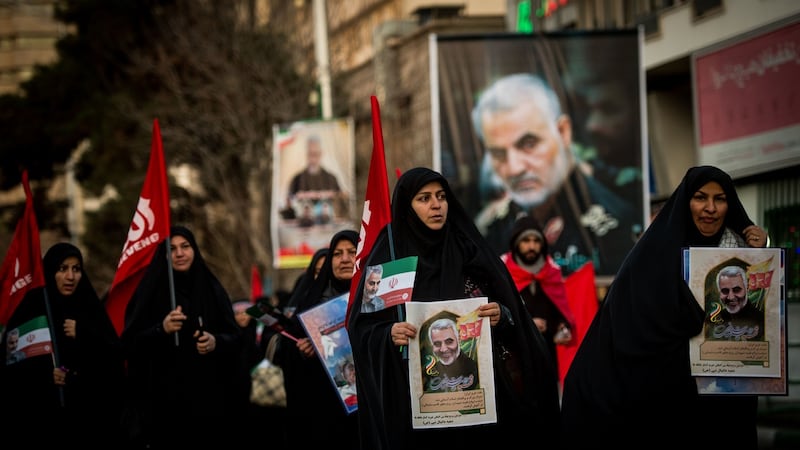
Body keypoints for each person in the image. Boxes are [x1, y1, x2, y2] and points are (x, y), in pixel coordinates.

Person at [347, 167, 561, 449]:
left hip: (479, 411)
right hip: (414, 412)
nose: (436, 205)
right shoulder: (391, 255)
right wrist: (388, 334)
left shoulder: (469, 249)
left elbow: (514, 316)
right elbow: (362, 328)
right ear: (406, 206)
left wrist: (500, 315)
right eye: (424, 199)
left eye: (441, 196)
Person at [560, 165, 769, 448]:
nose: (710, 208)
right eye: (700, 197)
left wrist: (761, 251)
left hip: (724, 395)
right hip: (664, 397)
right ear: (685, 201)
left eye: (720, 199)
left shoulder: (743, 252)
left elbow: (761, 313)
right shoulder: (655, 252)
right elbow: (625, 322)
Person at [471, 73, 640, 276]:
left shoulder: (618, 216)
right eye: (498, 154)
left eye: (529, 144)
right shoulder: (491, 229)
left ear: (563, 132)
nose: (515, 168)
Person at [121, 226, 242, 449]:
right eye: (172, 249)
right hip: (163, 407)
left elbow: (235, 337)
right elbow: (129, 344)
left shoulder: (212, 289)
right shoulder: (150, 292)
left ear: (194, 250)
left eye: (185, 246)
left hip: (209, 403)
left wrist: (216, 341)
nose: (179, 253)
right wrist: (161, 329)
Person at [1, 242, 126, 446]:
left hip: (87, 425)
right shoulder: (32, 312)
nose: (70, 276)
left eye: (76, 269)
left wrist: (85, 337)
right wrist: (43, 376)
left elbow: (114, 365)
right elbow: (11, 367)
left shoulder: (90, 313)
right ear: (51, 271)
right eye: (62, 269)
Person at [273, 229, 360, 449]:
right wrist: (301, 350)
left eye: (352, 252)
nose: (345, 259)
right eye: (337, 254)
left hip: (368, 408)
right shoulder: (312, 303)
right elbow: (288, 348)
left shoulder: (375, 297)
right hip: (324, 411)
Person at [500, 215, 575, 369]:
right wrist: (528, 325)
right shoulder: (502, 271)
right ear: (516, 244)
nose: (532, 246)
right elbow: (499, 313)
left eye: (536, 241)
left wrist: (562, 327)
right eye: (526, 241)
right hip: (514, 358)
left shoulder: (551, 271)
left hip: (546, 356)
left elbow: (559, 310)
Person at [285, 134, 345, 221]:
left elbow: (341, 201)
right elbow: (289, 201)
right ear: (306, 154)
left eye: (315, 154)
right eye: (310, 154)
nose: (313, 158)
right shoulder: (296, 179)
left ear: (321, 153)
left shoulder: (331, 178)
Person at [706, 265, 764, 341]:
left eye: (736, 290)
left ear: (747, 289)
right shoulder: (712, 321)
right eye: (725, 291)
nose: (731, 297)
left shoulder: (762, 321)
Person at [422, 317, 479, 392]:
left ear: (459, 339)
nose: (443, 349)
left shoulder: (476, 369)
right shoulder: (429, 373)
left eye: (449, 341)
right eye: (437, 344)